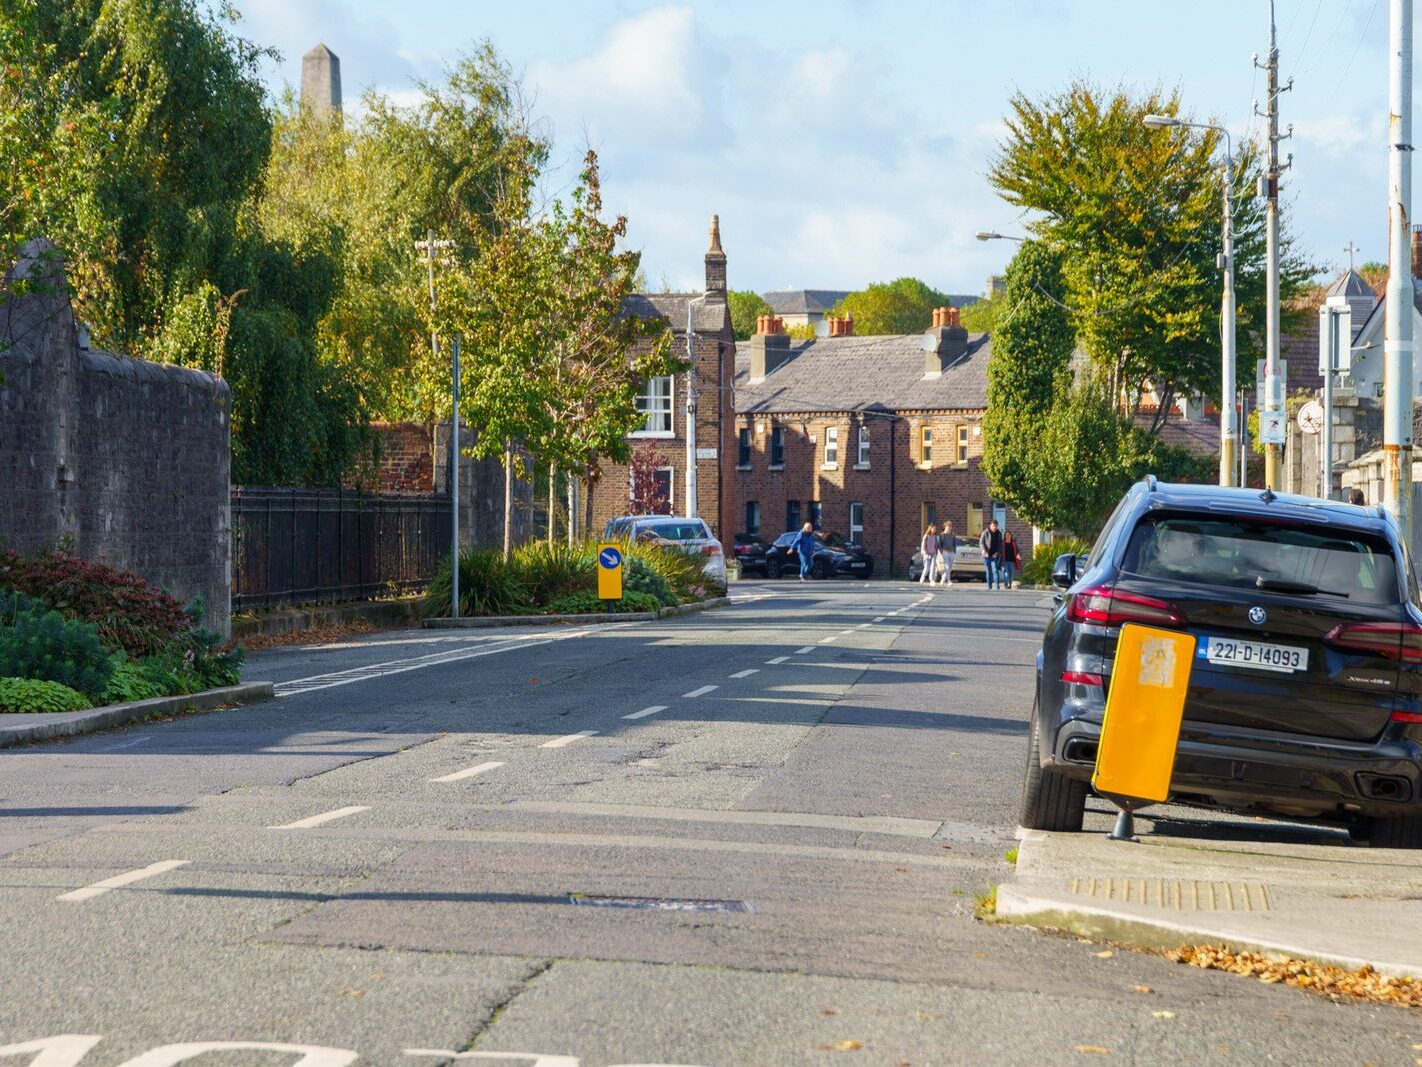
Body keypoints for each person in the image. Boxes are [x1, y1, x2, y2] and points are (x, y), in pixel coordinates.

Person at [980, 519, 1004, 589]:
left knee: (995, 570)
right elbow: (981, 543)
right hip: (987, 555)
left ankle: (997, 586)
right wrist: (983, 549)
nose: (995, 528)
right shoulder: (985, 532)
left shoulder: (999, 534)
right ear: (990, 525)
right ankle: (989, 586)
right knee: (988, 571)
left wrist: (997, 553)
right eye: (993, 526)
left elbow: (1000, 546)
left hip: (994, 555)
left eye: (996, 526)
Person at [936, 521, 957, 586]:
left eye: (950, 526)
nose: (949, 528)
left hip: (951, 553)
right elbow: (939, 545)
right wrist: (942, 551)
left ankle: (943, 579)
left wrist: (954, 552)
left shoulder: (953, 535)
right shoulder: (942, 535)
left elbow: (954, 544)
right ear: (945, 527)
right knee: (947, 567)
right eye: (948, 526)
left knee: (949, 568)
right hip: (945, 553)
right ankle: (948, 581)